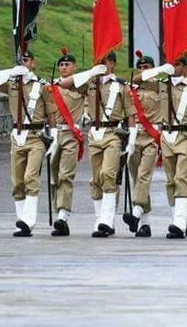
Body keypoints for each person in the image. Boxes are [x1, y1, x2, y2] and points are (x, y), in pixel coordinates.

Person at [60, 52, 136, 238]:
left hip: (113, 134)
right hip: (95, 134)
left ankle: (107, 220)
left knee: (108, 174)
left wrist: (132, 141)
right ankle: (99, 219)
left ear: (113, 64)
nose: (103, 65)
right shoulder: (91, 84)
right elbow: (65, 83)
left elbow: (131, 115)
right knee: (96, 180)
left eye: (105, 62)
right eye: (99, 62)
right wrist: (91, 72)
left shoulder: (121, 86)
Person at [132, 56, 187, 239]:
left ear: (186, 68)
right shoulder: (160, 84)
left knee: (182, 178)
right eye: (173, 64)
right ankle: (179, 217)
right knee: (171, 181)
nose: (174, 67)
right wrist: (159, 69)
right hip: (166, 137)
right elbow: (136, 80)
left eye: (178, 64)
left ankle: (180, 223)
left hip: (183, 136)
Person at [0, 50, 53, 237]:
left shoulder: (42, 86)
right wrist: (11, 71)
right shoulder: (12, 83)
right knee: (18, 182)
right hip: (17, 136)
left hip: (36, 136)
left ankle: (29, 220)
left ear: (33, 63)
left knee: (30, 178)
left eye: (27, 60)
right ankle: (22, 221)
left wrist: (53, 137)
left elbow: (51, 113)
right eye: (21, 61)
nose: (24, 63)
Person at [122, 50, 162, 237]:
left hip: (151, 137)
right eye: (140, 67)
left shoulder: (159, 87)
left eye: (146, 67)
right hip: (134, 136)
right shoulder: (131, 88)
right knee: (136, 178)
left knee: (144, 176)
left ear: (153, 69)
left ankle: (136, 213)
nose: (142, 70)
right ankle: (145, 224)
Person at [47, 47, 85, 236]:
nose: (63, 67)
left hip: (71, 135)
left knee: (65, 175)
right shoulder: (51, 87)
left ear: (74, 67)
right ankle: (58, 214)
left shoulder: (79, 86)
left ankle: (63, 215)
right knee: (54, 177)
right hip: (55, 135)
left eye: (67, 64)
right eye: (61, 64)